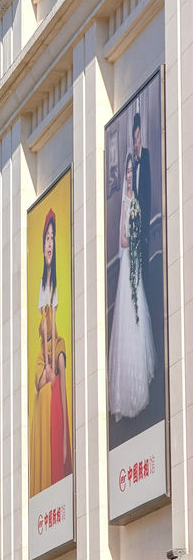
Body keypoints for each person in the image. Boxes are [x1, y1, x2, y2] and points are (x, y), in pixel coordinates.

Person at [108, 152, 156, 420]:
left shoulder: (135, 199)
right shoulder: (126, 204)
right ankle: (128, 390)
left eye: (130, 170)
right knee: (128, 315)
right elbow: (122, 241)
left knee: (140, 317)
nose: (128, 175)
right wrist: (134, 238)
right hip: (128, 262)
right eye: (126, 171)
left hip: (135, 263)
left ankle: (140, 382)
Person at [30, 210, 71, 497]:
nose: (48, 243)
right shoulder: (42, 286)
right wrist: (44, 368)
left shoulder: (54, 285)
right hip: (42, 360)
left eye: (52, 239)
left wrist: (53, 360)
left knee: (60, 362)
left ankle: (66, 443)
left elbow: (53, 332)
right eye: (46, 237)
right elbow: (42, 333)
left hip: (53, 354)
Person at [132, 111, 152, 294]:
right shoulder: (133, 164)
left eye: (139, 138)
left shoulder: (146, 157)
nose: (137, 143)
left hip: (145, 231)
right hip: (135, 233)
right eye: (135, 140)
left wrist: (145, 230)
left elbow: (148, 194)